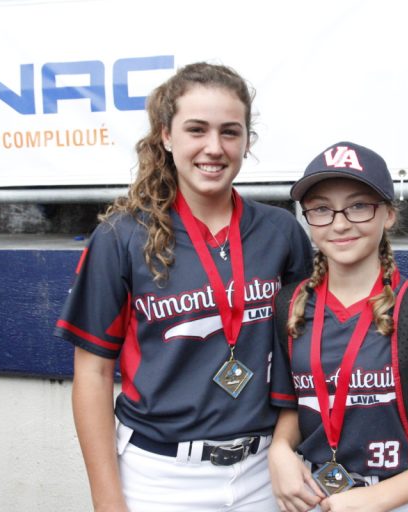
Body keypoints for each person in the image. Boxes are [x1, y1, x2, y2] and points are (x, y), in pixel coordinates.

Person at [54, 62, 314, 511]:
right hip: (160, 478)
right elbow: (93, 376)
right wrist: (107, 499)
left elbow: (306, 351)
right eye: (197, 129)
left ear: (246, 141)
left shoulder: (281, 233)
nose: (214, 148)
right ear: (166, 136)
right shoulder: (122, 237)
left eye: (230, 132)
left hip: (262, 474)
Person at [268, 141, 408, 512]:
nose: (340, 223)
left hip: (402, 498)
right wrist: (279, 449)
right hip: (314, 496)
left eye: (358, 206)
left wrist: (375, 499)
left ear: (388, 214)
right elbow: (294, 402)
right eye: (322, 209)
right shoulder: (290, 305)